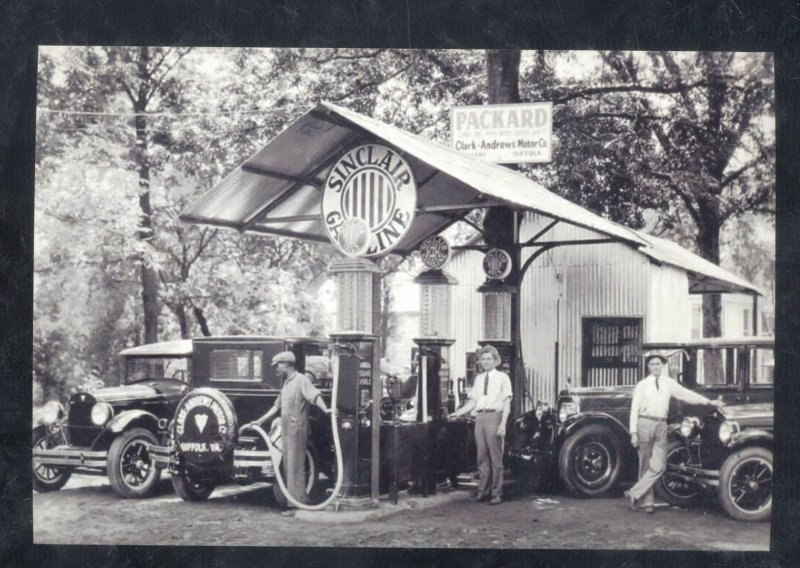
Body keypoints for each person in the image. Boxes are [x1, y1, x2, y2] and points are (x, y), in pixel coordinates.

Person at [625, 350, 723, 514]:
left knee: (659, 466)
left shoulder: (669, 383)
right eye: (652, 364)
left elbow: (686, 395)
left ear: (663, 365)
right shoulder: (642, 385)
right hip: (644, 423)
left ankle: (634, 492)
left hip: (661, 425)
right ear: (648, 366)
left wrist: (708, 402)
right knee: (644, 465)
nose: (655, 367)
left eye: (658, 364)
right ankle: (646, 503)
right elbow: (634, 409)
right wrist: (633, 432)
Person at [248, 351, 333, 517]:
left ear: (286, 364)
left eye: (278, 365)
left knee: (295, 466)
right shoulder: (287, 383)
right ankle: (296, 502)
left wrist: (326, 409)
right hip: (286, 430)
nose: (276, 369)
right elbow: (276, 406)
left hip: (297, 429)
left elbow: (314, 396)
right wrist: (259, 421)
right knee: (288, 466)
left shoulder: (301, 380)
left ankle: (297, 504)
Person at [448, 345, 512, 505]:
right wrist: (458, 413)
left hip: (494, 416)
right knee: (481, 457)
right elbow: (473, 402)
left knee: (495, 458)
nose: (486, 361)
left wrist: (503, 424)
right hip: (480, 418)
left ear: (495, 361)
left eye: (489, 358)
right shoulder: (478, 379)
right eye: (483, 359)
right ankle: (483, 491)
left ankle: (497, 493)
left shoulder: (503, 378)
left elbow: (507, 403)